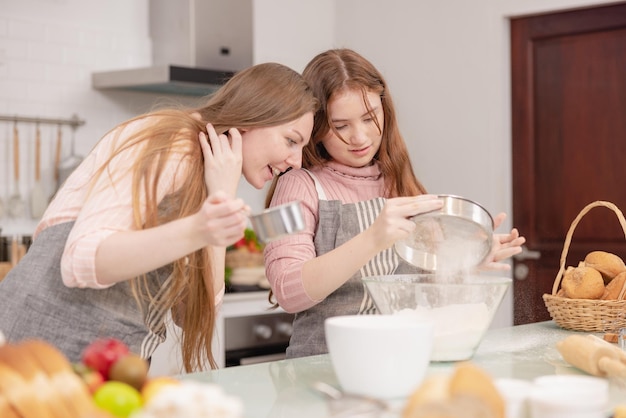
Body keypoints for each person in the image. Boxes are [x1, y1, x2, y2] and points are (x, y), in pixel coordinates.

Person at [0, 62, 318, 372]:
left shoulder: (209, 172)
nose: (296, 162)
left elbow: (199, 312)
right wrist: (201, 228)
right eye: (291, 140)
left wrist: (218, 196)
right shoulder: (168, 142)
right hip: (38, 360)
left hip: (113, 369)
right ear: (254, 115)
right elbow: (81, 261)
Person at [263, 48, 526, 358]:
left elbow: (415, 288)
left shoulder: (400, 182)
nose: (359, 137)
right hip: (323, 367)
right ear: (316, 127)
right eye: (340, 125)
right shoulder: (293, 186)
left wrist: (465, 261)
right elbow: (287, 291)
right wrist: (373, 238)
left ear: (384, 109)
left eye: (369, 117)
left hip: (399, 361)